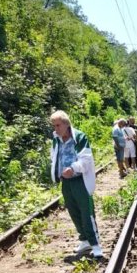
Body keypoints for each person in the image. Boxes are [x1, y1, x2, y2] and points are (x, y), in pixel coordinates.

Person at [50, 110, 103, 258]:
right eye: (54, 126)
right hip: (66, 182)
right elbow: (54, 157)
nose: (56, 129)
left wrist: (73, 168)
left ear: (66, 124)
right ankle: (85, 240)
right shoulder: (56, 139)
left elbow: (86, 159)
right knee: (73, 212)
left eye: (58, 125)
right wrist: (57, 172)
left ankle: (95, 244)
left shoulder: (79, 137)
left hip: (80, 180)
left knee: (87, 213)